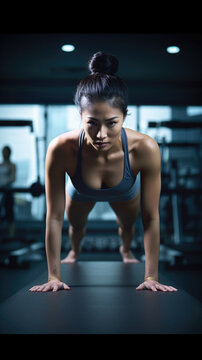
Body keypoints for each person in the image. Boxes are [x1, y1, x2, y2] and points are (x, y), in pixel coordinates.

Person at [30, 52, 177, 293]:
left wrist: (151, 276)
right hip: (80, 190)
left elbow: (150, 218)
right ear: (80, 116)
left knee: (128, 225)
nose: (101, 135)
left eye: (111, 123)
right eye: (92, 123)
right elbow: (54, 217)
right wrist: (53, 276)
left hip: (124, 190)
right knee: (75, 227)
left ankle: (126, 249)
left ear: (124, 116)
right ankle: (74, 251)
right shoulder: (60, 149)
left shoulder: (145, 148)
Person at [0, 145, 16, 237]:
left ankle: (11, 236)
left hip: (8, 191)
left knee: (10, 213)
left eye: (6, 152)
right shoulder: (0, 165)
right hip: (1, 192)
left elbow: (13, 178)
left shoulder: (12, 165)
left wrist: (4, 184)